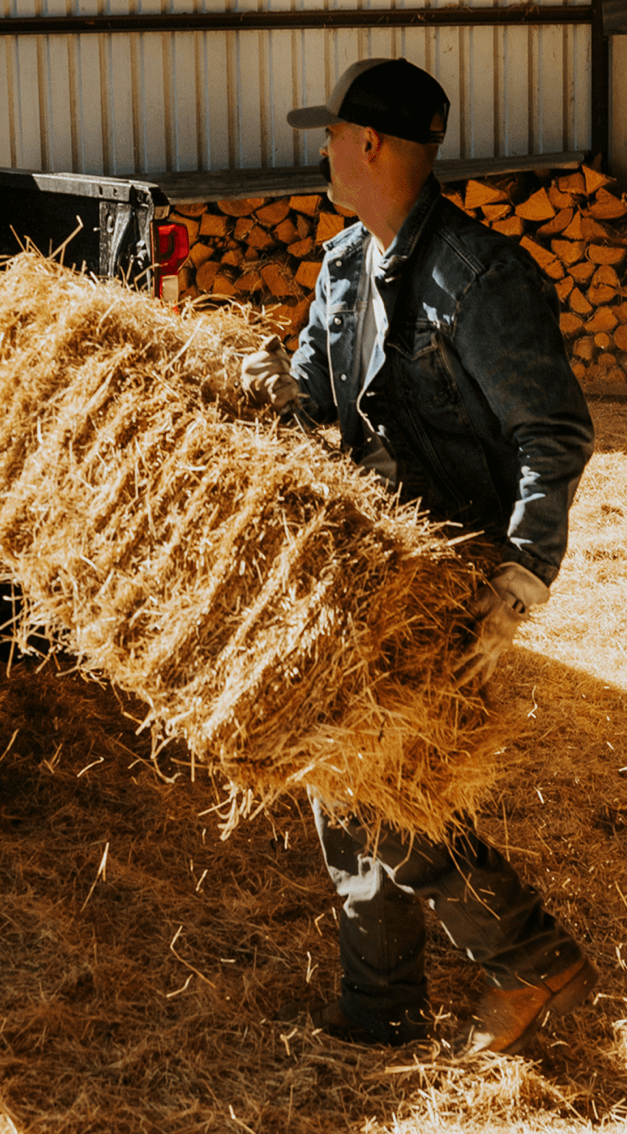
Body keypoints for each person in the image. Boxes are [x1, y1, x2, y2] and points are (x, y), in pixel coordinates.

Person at [240, 57, 598, 1054]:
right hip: (365, 563)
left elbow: (552, 432)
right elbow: (313, 397)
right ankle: (386, 1004)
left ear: (371, 146)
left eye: (330, 136)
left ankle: (516, 963)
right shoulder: (345, 265)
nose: (320, 152)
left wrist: (523, 571)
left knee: (384, 783)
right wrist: (262, 379)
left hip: (449, 571)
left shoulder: (482, 277)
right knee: (350, 780)